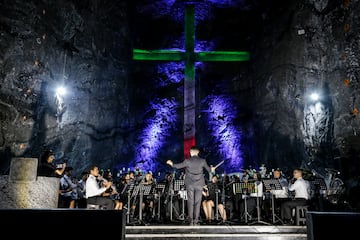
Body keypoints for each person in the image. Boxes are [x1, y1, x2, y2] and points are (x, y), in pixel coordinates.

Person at [166, 146, 215, 225]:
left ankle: (191, 220)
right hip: (199, 184)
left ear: (191, 152)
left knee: (190, 201)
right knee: (198, 202)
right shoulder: (202, 161)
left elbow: (178, 166)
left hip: (190, 184)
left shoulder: (187, 161)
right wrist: (212, 169)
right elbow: (209, 170)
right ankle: (196, 220)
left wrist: (171, 163)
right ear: (198, 152)